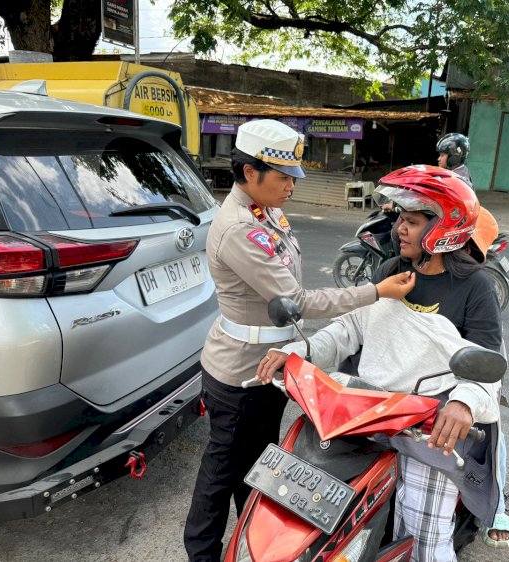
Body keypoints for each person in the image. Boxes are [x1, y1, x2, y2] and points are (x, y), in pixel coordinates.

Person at [183, 119, 416, 562]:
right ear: (250, 173)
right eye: (283, 176)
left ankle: (251, 544)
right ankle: (201, 553)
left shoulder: (264, 211)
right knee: (221, 470)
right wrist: (375, 292)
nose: (291, 185)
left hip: (268, 367)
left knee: (255, 465)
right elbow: (297, 298)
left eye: (293, 176)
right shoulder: (238, 229)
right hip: (239, 376)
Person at [261, 165, 503, 562]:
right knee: (320, 503)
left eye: (411, 222)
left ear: (442, 228)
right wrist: (297, 352)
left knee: (426, 536)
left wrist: (463, 403)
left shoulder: (475, 287)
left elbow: (488, 360)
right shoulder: (392, 271)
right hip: (369, 412)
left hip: (430, 425)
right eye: (400, 221)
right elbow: (349, 329)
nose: (399, 230)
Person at [436, 138, 509, 549]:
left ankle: (496, 502)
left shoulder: (476, 281)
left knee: (490, 422)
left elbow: (485, 346)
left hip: (474, 359)